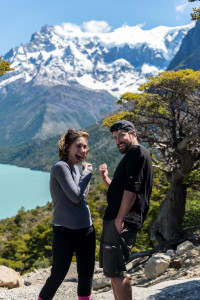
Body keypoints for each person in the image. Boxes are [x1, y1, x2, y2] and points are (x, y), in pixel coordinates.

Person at [38, 129, 96, 300]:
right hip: (65, 230)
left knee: (86, 275)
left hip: (86, 228)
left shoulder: (76, 169)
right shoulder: (60, 167)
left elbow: (81, 195)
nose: (83, 150)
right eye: (78, 146)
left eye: (85, 147)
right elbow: (76, 196)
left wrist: (84, 174)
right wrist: (88, 173)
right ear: (68, 147)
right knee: (58, 274)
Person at [99, 120, 153, 300]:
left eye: (121, 135)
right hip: (118, 218)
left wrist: (120, 219)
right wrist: (106, 179)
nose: (117, 140)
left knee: (118, 272)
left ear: (133, 133)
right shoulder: (132, 155)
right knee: (113, 272)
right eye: (115, 137)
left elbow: (131, 190)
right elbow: (121, 190)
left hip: (122, 220)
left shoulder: (137, 153)